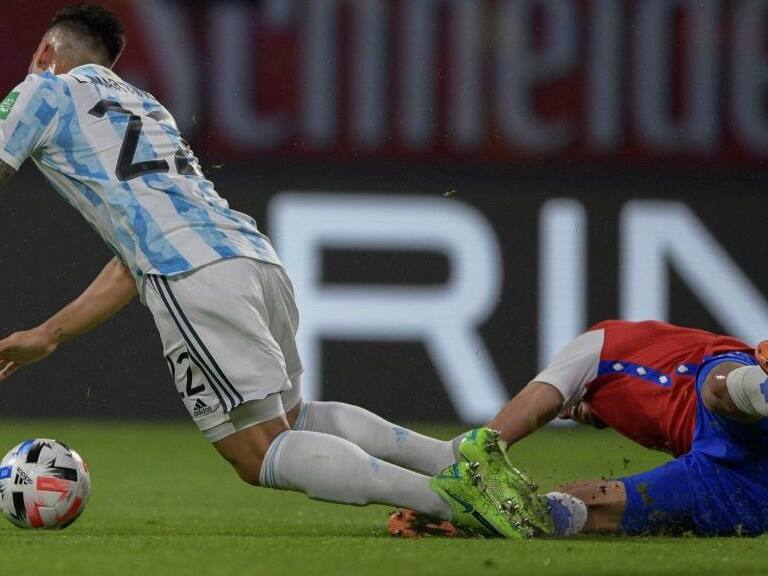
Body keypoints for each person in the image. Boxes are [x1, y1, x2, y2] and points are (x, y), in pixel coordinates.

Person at [0, 3, 537, 538]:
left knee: (256, 453)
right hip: (253, 257)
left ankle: (449, 502)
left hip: (195, 277)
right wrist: (49, 334)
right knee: (296, 418)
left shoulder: (42, 88)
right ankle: (452, 460)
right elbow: (133, 258)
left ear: (46, 51)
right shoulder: (145, 107)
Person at [391, 319, 768, 538]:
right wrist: (598, 413)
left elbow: (533, 405)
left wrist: (483, 449)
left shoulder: (600, 347)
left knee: (720, 388)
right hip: (730, 478)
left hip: (725, 393)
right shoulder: (612, 401)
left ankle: (759, 383)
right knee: (589, 508)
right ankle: (476, 520)